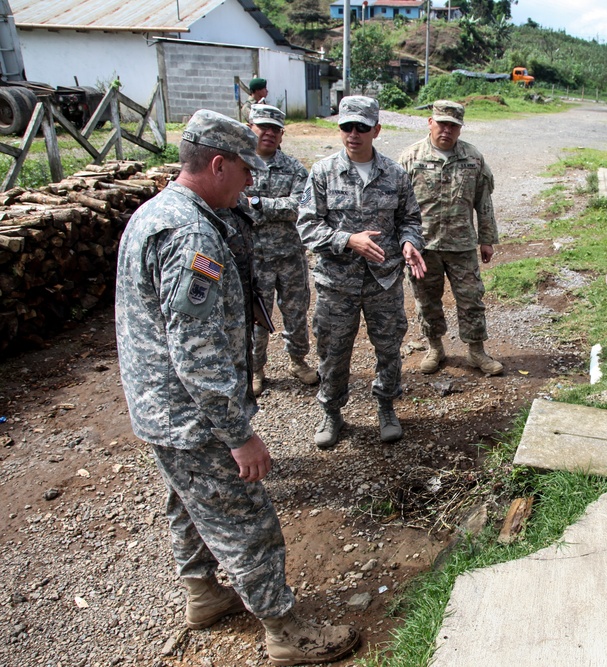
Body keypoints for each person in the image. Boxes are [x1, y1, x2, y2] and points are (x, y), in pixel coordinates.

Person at [115, 109, 360, 664]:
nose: (253, 181)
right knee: (246, 518)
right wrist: (238, 434)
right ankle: (284, 630)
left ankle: (202, 594)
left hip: (160, 408)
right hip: (192, 415)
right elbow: (197, 355)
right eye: (245, 171)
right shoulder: (189, 235)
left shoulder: (157, 211)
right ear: (217, 164)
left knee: (189, 501)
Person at [297, 95, 427, 448]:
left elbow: (410, 220)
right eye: (346, 127)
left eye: (361, 127)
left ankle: (386, 406)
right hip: (336, 284)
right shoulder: (323, 173)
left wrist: (409, 243)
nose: (353, 134)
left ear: (376, 130)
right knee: (333, 349)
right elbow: (307, 227)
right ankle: (332, 412)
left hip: (383, 280)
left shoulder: (395, 174)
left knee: (388, 347)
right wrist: (347, 239)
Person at [398, 99, 503, 376]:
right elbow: (396, 205)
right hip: (424, 246)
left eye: (453, 126)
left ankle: (476, 351)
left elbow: (484, 202)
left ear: (460, 128)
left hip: (462, 245)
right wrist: (401, 243)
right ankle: (435, 347)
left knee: (471, 299)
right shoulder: (410, 158)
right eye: (442, 123)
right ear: (430, 122)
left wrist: (487, 239)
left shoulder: (473, 158)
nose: (447, 130)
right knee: (426, 299)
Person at [242, 104, 317, 397]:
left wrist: (259, 204)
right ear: (251, 129)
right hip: (254, 257)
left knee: (296, 312)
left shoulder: (294, 168)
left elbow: (300, 206)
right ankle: (256, 369)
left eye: (275, 129)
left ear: (282, 135)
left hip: (290, 256)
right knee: (257, 318)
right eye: (263, 127)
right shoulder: (240, 165)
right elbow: (235, 203)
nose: (269, 133)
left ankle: (298, 361)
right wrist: (275, 206)